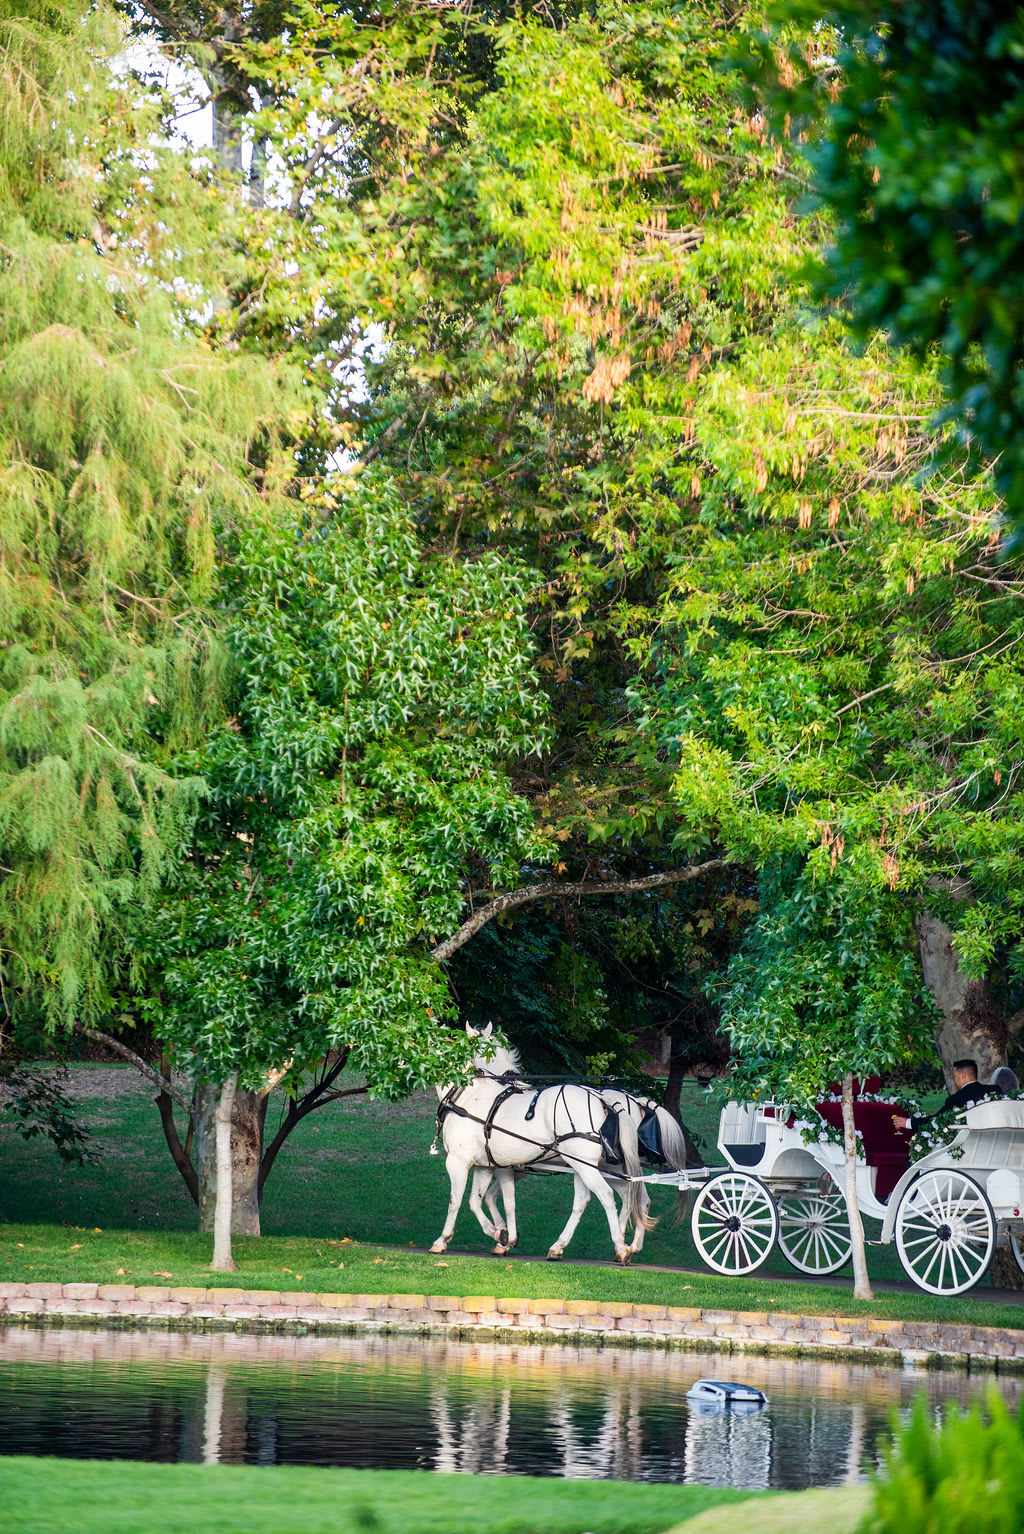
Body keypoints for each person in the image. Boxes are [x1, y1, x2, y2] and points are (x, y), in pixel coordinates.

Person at [891, 1059, 991, 1132]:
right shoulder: (994, 1091)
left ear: (963, 1076)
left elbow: (937, 1120)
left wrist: (908, 1123)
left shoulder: (956, 1099)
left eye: (955, 1077)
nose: (954, 1080)